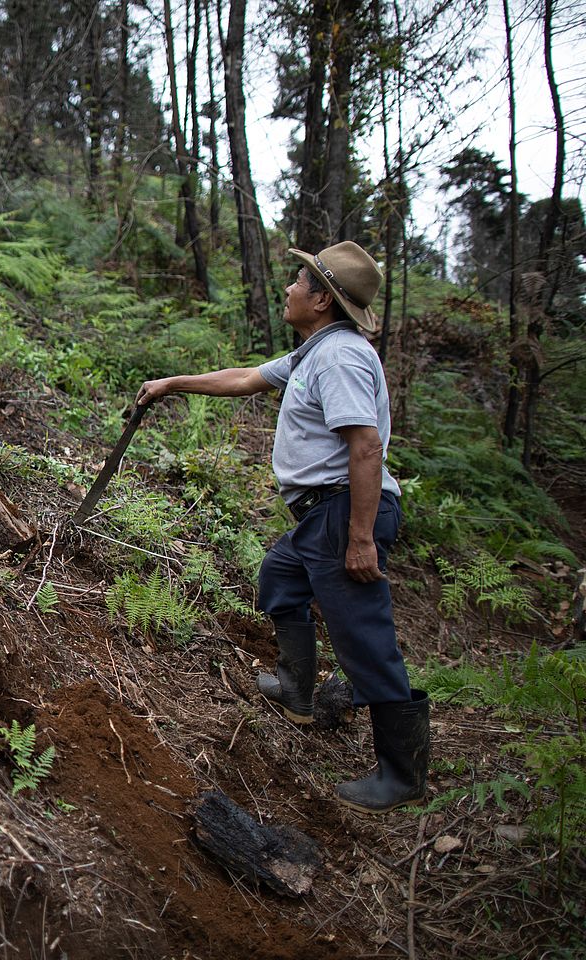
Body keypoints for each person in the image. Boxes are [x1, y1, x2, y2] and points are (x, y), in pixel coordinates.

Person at [135, 240, 429, 815]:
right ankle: (297, 688)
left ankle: (403, 774)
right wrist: (172, 383)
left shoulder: (339, 357)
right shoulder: (311, 353)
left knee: (363, 637)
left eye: (299, 282)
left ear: (322, 300)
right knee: (280, 576)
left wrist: (361, 538)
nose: (289, 290)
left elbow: (366, 448)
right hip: (324, 515)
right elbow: (246, 378)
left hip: (345, 511)